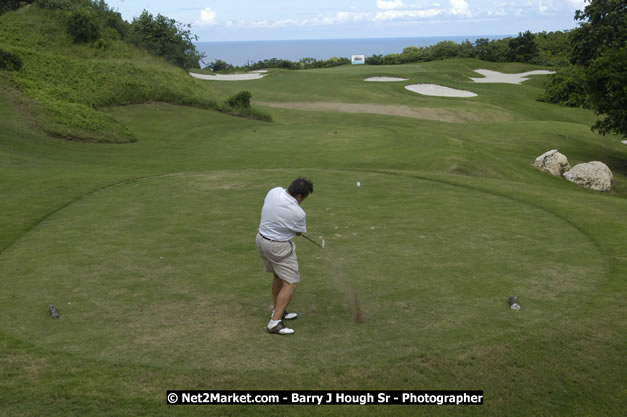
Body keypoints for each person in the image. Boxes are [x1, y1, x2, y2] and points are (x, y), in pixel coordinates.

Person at [256, 177, 314, 335]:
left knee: (278, 277)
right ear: (300, 196)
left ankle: (278, 311)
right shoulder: (298, 213)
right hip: (278, 247)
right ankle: (274, 322)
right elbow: (299, 232)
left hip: (261, 240)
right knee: (291, 282)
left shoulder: (274, 191)